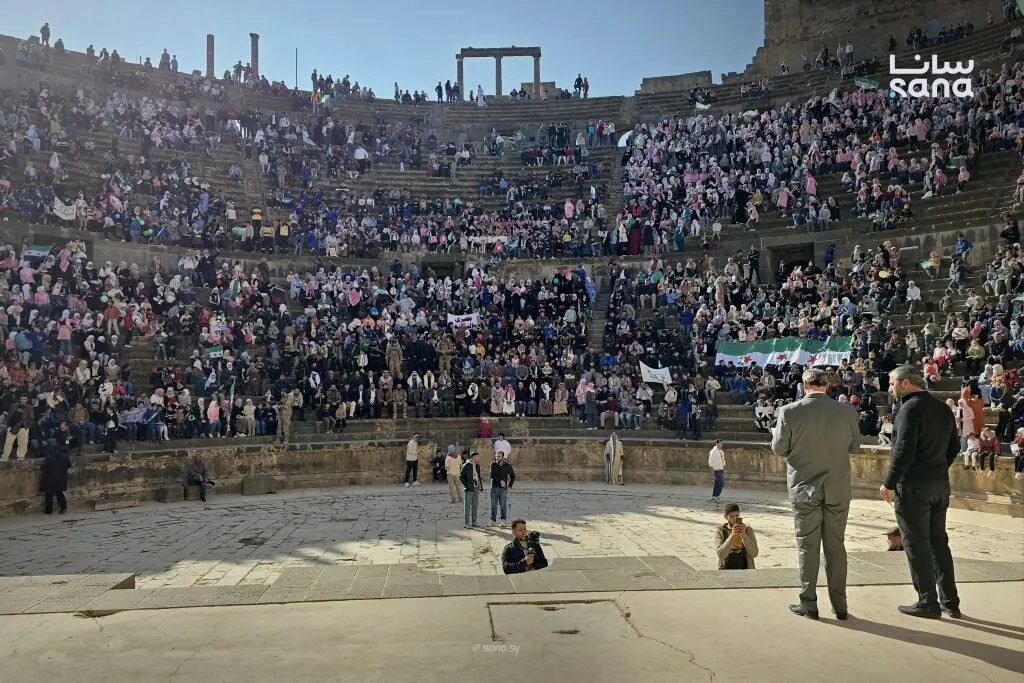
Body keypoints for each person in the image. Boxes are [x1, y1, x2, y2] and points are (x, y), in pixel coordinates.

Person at [771, 367, 861, 620]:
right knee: (836, 546)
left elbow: (779, 449)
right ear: (827, 385)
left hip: (803, 487)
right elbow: (855, 446)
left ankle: (809, 603)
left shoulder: (788, 411)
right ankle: (840, 605)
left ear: (804, 385)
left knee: (807, 546)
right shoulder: (847, 411)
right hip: (837, 487)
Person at [881, 365, 962, 619]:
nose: (890, 388)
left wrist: (889, 483)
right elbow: (954, 447)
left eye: (893, 383)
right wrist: (937, 469)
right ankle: (950, 601)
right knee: (939, 542)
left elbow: (903, 451)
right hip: (939, 484)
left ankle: (927, 601)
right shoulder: (942, 407)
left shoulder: (909, 408)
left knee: (916, 543)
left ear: (905, 383)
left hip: (914, 487)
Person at [716, 503, 759, 569]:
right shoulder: (721, 531)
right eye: (731, 516)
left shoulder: (748, 530)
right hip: (727, 566)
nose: (735, 518)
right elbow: (721, 555)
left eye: (736, 515)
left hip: (745, 566)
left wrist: (744, 535)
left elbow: (754, 553)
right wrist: (732, 536)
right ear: (725, 517)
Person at [39, 447, 71, 514]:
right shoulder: (65, 457)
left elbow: (42, 467)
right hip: (61, 478)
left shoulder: (49, 457)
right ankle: (63, 507)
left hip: (49, 478)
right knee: (59, 493)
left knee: (49, 494)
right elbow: (69, 465)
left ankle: (49, 510)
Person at [488, 451, 515, 527]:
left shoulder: (507, 465)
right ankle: (492, 520)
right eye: (496, 456)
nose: (497, 458)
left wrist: (510, 486)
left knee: (503, 505)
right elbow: (492, 475)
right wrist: (500, 481)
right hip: (494, 488)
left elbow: (513, 477)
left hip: (503, 489)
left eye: (499, 456)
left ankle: (503, 520)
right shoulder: (493, 464)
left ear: (503, 457)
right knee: (493, 505)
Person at [460, 450, 484, 528]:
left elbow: (478, 477)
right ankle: (467, 522)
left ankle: (474, 521)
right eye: (477, 457)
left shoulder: (477, 465)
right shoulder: (466, 465)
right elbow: (461, 476)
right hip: (469, 488)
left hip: (476, 487)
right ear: (473, 457)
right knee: (467, 505)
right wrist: (466, 486)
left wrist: (481, 487)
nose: (479, 458)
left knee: (475, 505)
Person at [708, 439, 726, 503]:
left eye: (722, 443)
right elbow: (710, 460)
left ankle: (713, 496)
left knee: (717, 483)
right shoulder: (713, 451)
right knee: (722, 483)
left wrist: (724, 469)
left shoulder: (721, 451)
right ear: (717, 444)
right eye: (720, 443)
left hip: (720, 469)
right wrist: (711, 469)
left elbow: (723, 460)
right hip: (716, 470)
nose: (722, 445)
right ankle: (716, 495)